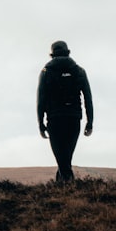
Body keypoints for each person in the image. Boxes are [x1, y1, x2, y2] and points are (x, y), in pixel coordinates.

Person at [37, 40, 93, 183]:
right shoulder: (79, 71)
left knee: (62, 157)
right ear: (68, 52)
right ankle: (64, 187)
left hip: (54, 118)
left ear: (52, 54)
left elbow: (41, 99)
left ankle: (66, 186)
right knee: (66, 156)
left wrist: (40, 123)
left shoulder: (45, 72)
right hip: (73, 118)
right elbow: (88, 98)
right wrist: (89, 122)